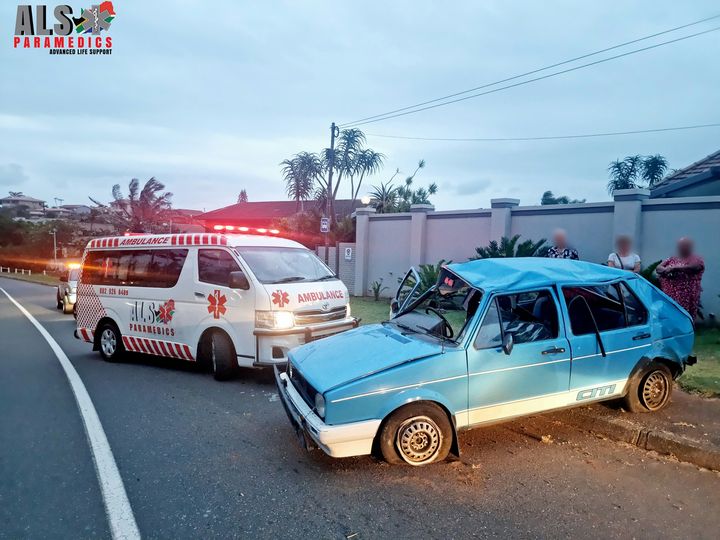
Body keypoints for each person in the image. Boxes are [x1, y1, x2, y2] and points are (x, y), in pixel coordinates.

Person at [656, 237, 704, 320]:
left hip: (686, 298)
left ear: (690, 247)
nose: (681, 247)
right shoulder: (672, 259)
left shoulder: (696, 259)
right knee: (669, 318)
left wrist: (675, 268)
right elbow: (658, 268)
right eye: (680, 245)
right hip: (669, 296)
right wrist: (665, 270)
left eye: (684, 245)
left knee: (683, 319)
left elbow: (695, 267)